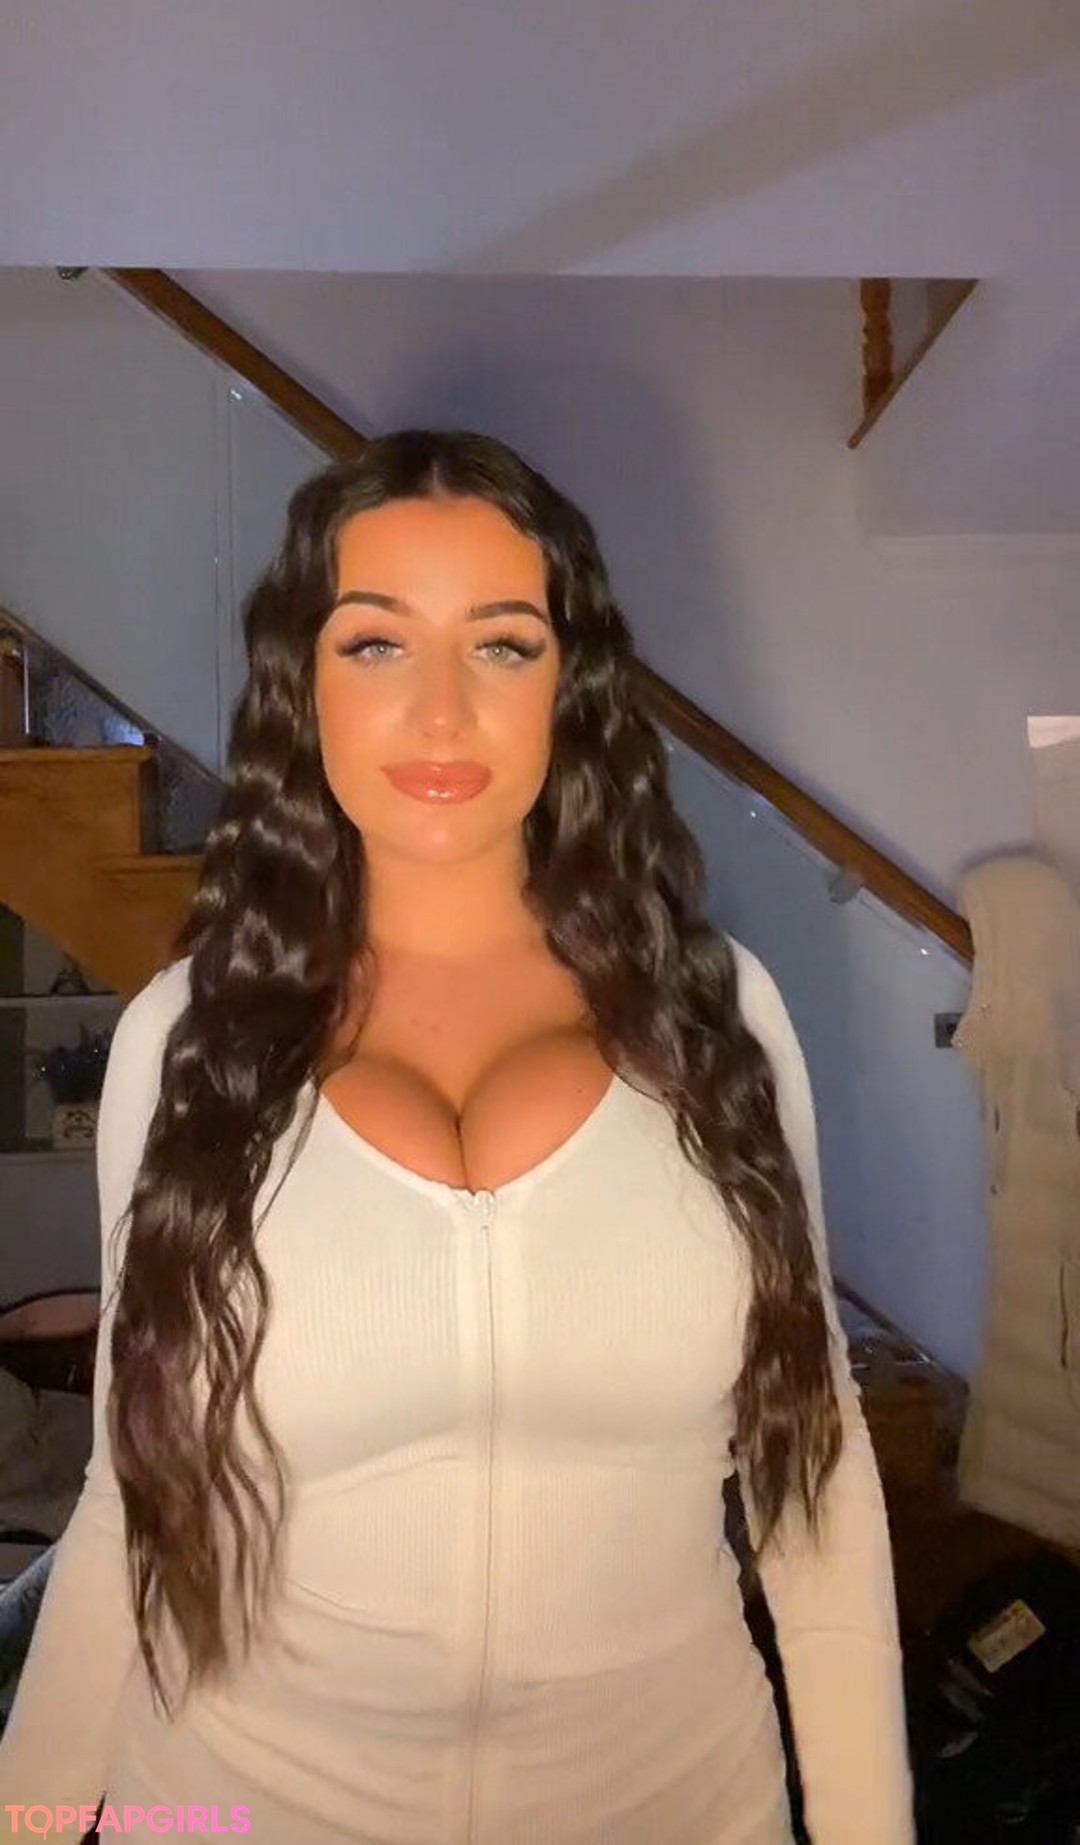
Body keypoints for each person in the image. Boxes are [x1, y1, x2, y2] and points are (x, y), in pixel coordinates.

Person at [0, 430, 915, 1843]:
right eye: (376, 644)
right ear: (303, 686)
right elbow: (134, 1501)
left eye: (501, 645)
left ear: (568, 686)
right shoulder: (185, 1042)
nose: (441, 710)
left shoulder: (720, 1016)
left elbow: (814, 1482)